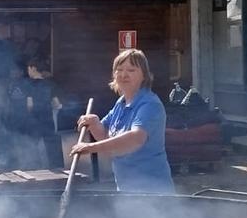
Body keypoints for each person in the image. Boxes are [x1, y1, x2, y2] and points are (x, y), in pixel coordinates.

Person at [72, 48, 173, 194]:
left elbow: (136, 139)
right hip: (127, 189)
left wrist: (90, 147)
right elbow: (106, 136)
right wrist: (94, 123)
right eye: (119, 70)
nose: (124, 75)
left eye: (131, 70)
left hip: (153, 190)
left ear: (144, 76)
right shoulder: (121, 103)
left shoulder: (150, 104)